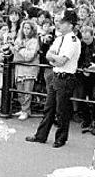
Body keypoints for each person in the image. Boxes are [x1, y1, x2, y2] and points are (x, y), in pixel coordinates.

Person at [25, 9, 81, 148]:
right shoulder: (59, 38)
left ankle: (61, 138)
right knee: (49, 107)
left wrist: (54, 59)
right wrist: (55, 59)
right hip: (56, 75)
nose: (59, 25)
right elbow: (49, 55)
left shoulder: (73, 40)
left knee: (62, 110)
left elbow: (62, 61)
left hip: (66, 77)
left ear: (70, 25)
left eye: (63, 22)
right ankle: (41, 135)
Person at [12, 20, 40, 120]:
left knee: (27, 91)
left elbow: (29, 56)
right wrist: (20, 50)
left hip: (30, 69)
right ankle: (23, 109)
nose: (26, 30)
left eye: (28, 28)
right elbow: (14, 52)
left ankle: (26, 110)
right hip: (19, 68)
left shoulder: (34, 41)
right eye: (24, 28)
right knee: (20, 91)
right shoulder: (19, 39)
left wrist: (20, 49)